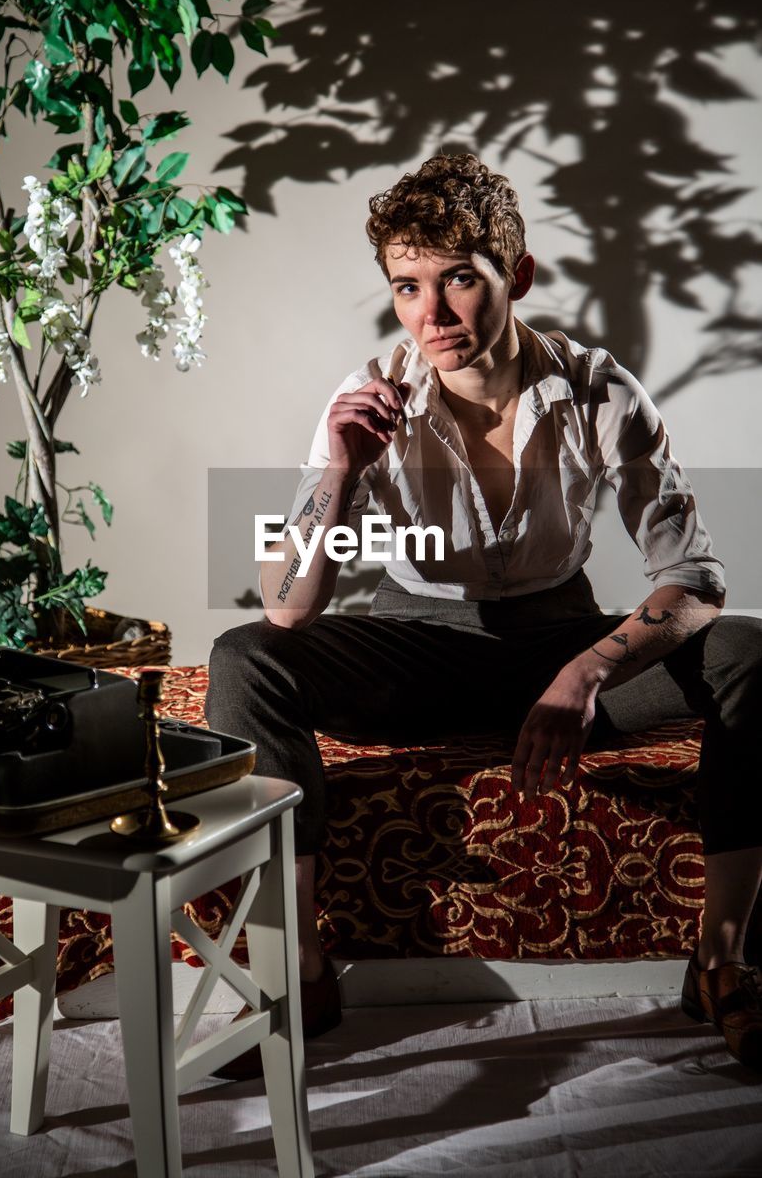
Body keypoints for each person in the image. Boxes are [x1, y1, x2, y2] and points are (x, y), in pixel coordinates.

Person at [206, 153, 762, 1075]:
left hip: (558, 645)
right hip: (415, 647)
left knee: (752, 654)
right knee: (244, 657)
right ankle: (298, 971)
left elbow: (694, 578)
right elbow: (287, 606)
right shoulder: (371, 395)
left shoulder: (598, 390)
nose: (431, 314)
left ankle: (722, 965)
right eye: (407, 286)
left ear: (519, 277)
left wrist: (584, 672)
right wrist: (340, 470)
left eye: (459, 279)